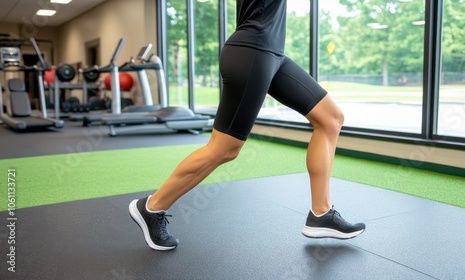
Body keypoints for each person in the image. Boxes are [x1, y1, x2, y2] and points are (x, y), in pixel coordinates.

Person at [128, 0, 365, 251]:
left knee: (330, 118)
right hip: (252, 51)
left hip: (272, 54)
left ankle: (321, 214)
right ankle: (152, 207)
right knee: (224, 148)